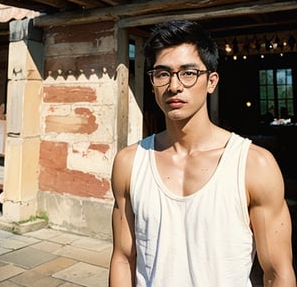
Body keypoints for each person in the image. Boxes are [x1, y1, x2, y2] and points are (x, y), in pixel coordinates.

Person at [109, 20, 296, 286]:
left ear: (211, 81)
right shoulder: (129, 163)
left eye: (188, 73)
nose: (174, 86)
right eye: (162, 74)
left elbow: (278, 272)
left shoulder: (254, 165)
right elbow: (122, 258)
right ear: (152, 83)